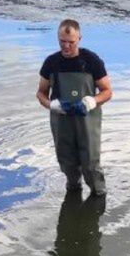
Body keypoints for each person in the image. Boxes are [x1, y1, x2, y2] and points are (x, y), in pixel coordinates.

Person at [37, 19, 112, 195]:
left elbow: (107, 91)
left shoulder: (91, 61)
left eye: (71, 42)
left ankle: (98, 197)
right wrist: (52, 105)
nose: (66, 46)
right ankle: (73, 192)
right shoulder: (51, 63)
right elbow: (41, 93)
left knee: (90, 164)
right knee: (67, 163)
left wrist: (91, 101)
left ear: (79, 39)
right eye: (62, 41)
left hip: (87, 121)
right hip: (61, 122)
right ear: (58, 38)